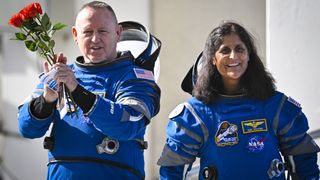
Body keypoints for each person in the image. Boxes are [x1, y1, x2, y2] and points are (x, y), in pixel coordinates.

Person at [157, 21, 319, 179]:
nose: (233, 56)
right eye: (225, 50)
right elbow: (172, 172)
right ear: (213, 58)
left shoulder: (277, 106)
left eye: (239, 49)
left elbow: (305, 164)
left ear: (249, 56)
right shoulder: (195, 114)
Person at [18, 1, 160, 179]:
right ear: (75, 35)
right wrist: (47, 99)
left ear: (117, 33)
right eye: (87, 32)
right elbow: (27, 129)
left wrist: (77, 90)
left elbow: (127, 124)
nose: (95, 39)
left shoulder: (135, 77)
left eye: (102, 31)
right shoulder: (60, 75)